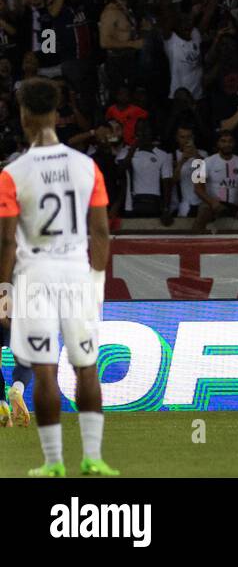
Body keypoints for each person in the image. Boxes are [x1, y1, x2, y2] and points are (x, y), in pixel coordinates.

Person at [0, 77, 118, 476]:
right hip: (77, 274)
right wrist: (97, 279)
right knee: (86, 366)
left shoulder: (13, 174)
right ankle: (94, 458)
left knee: (45, 368)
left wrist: (4, 289)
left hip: (34, 277)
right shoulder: (86, 166)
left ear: (25, 116)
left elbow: (7, 242)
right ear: (55, 113)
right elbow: (100, 232)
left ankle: (52, 463)